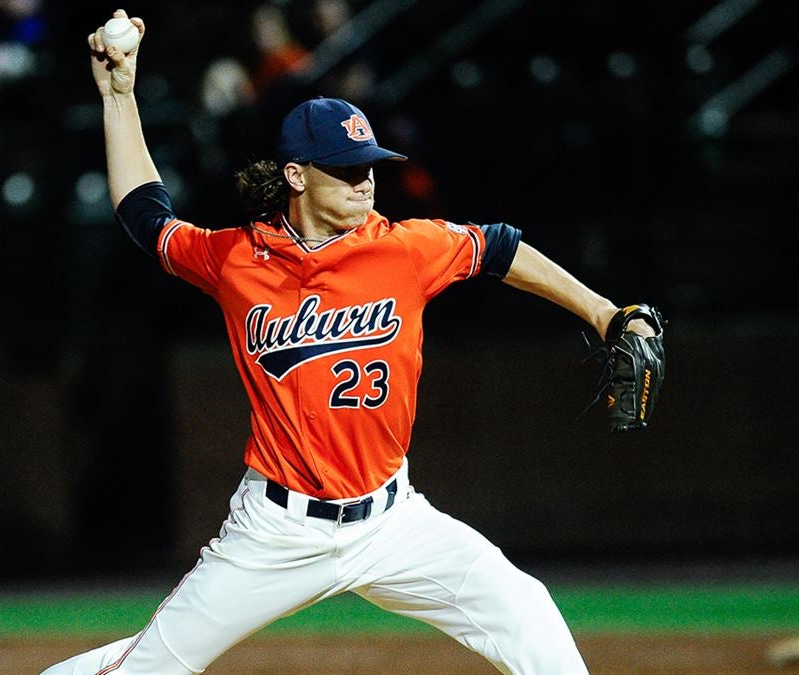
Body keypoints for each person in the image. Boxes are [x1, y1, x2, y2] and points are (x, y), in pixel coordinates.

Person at [47, 10, 655, 675]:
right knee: (150, 669)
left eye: (369, 163)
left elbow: (500, 247)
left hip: (394, 523)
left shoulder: (406, 248)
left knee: (526, 611)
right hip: (276, 530)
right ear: (299, 175)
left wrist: (605, 313)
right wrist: (119, 96)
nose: (366, 179)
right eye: (346, 167)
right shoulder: (237, 260)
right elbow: (146, 216)